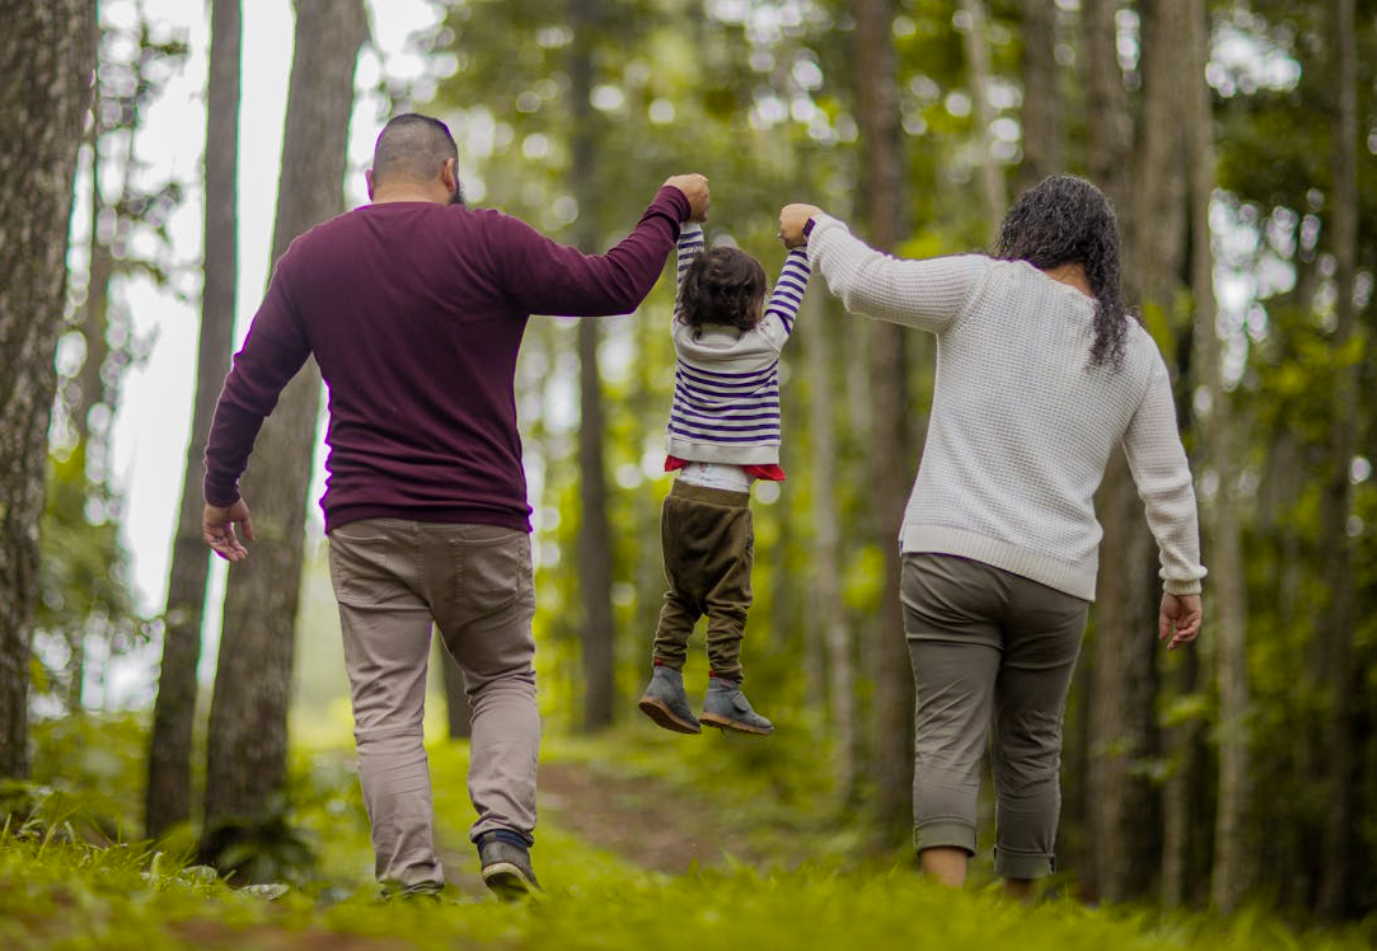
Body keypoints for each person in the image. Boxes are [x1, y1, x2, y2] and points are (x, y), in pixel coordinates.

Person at [201, 112, 709, 899]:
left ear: (370, 184)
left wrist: (220, 487)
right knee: (503, 674)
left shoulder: (314, 257)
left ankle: (409, 880)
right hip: (482, 513)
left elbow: (251, 381)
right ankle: (505, 832)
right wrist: (669, 205)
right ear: (449, 172)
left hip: (367, 518)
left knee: (385, 711)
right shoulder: (489, 239)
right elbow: (613, 285)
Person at [777, 175, 1205, 898]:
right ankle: (1014, 919)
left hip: (950, 557)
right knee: (1033, 749)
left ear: (1027, 231)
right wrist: (1182, 581)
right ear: (1100, 252)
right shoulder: (1132, 349)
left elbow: (865, 284)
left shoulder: (980, 285)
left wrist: (819, 226)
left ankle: (947, 918)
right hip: (1056, 579)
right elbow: (1166, 479)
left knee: (948, 734)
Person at [636, 217, 810, 737]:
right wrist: (800, 245)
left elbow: (686, 270)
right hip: (727, 503)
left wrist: (690, 223)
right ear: (753, 305)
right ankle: (723, 689)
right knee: (728, 600)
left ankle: (664, 678)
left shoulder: (682, 338)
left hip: (682, 496)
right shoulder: (765, 342)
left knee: (682, 595)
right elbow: (792, 289)